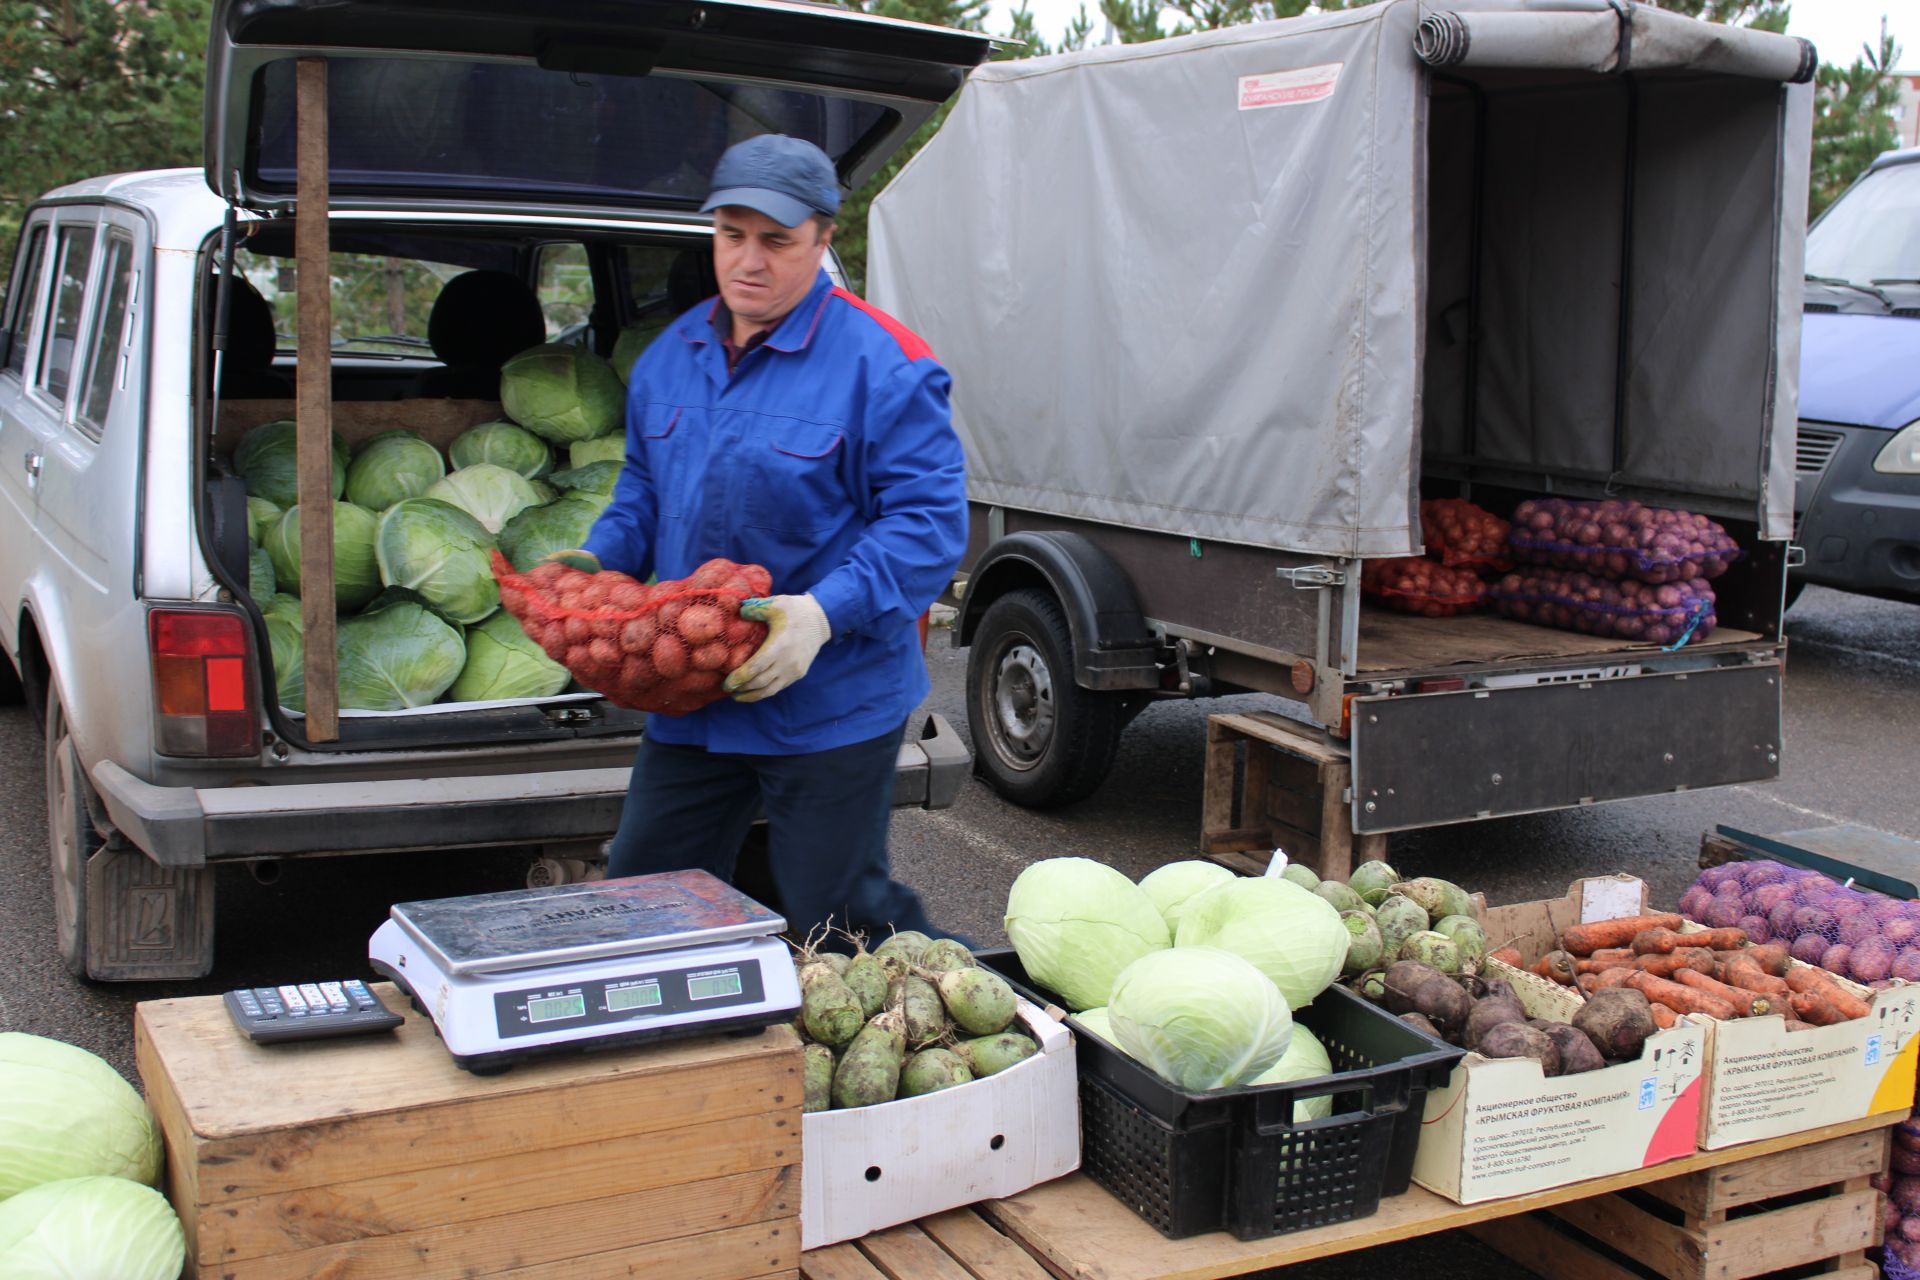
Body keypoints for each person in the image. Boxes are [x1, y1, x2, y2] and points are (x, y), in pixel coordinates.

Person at [555, 133, 969, 945]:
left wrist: (820, 614)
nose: (749, 260)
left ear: (822, 239)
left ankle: (966, 1014)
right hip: (698, 698)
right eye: (731, 234)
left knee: (835, 913)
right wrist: (596, 564)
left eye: (776, 240)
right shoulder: (672, 358)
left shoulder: (886, 365)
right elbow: (642, 493)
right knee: (647, 892)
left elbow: (928, 526)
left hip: (831, 698)